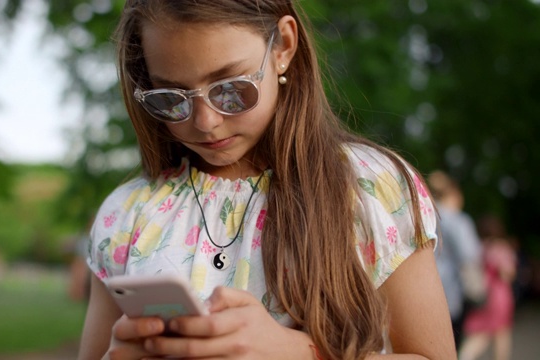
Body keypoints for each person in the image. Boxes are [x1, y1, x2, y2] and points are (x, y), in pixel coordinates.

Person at [78, 1, 455, 359]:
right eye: (171, 98)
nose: (205, 121)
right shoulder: (126, 215)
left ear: (284, 47)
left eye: (230, 88)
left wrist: (297, 353)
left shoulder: (370, 188)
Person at [427, 170, 486, 350]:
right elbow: (469, 256)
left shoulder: (425, 216)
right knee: (452, 346)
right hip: (452, 292)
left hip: (424, 289)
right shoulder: (459, 220)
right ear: (454, 193)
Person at [459, 216, 518, 360]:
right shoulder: (502, 248)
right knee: (501, 332)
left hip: (482, 294)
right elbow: (508, 274)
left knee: (483, 331)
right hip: (500, 296)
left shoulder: (479, 247)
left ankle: (465, 355)